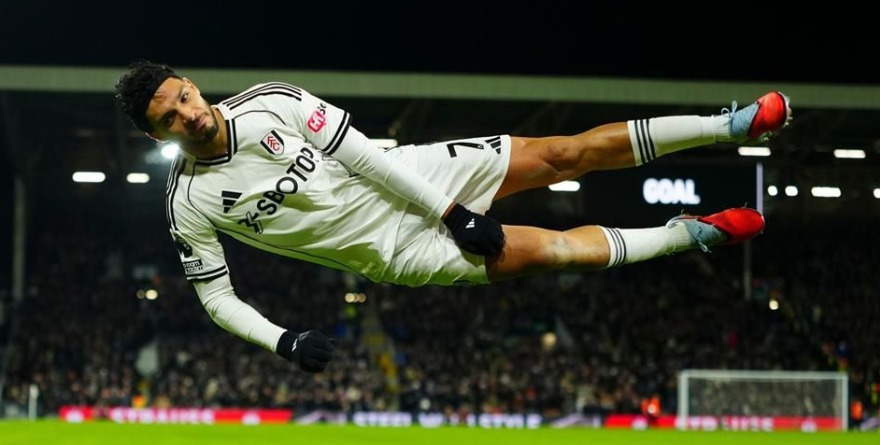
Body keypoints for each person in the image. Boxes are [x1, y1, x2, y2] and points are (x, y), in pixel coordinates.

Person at [113, 60, 791, 373]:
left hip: (417, 176)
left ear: (191, 84)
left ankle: (727, 124)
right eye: (168, 118)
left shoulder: (273, 102)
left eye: (183, 96)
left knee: (564, 152)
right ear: (158, 137)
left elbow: (365, 155)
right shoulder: (190, 201)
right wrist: (281, 339)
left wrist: (453, 207)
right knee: (557, 252)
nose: (187, 113)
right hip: (395, 252)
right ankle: (689, 234)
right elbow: (217, 298)